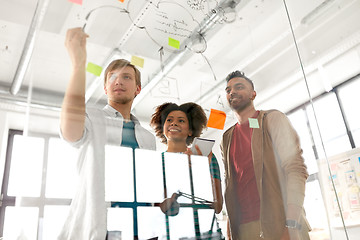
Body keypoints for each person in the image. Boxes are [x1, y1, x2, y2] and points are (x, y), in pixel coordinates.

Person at [58, 27, 156, 240]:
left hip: (141, 228)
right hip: (103, 230)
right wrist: (78, 66)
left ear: (138, 89)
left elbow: (149, 185)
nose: (118, 81)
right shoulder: (93, 120)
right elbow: (70, 132)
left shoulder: (148, 138)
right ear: (105, 87)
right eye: (112, 77)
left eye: (126, 77)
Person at [221, 70, 311, 240]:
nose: (232, 92)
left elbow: (296, 169)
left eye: (239, 87)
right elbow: (230, 186)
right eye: (228, 90)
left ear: (253, 94)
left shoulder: (272, 119)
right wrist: (230, 233)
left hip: (280, 222)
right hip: (245, 229)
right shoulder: (227, 137)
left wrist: (291, 224)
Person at [150, 102, 223, 214]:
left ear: (190, 131)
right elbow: (154, 207)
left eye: (181, 120)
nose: (174, 123)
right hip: (169, 228)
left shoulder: (206, 157)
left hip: (202, 229)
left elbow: (217, 207)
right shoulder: (155, 161)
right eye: (169, 120)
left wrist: (201, 171)